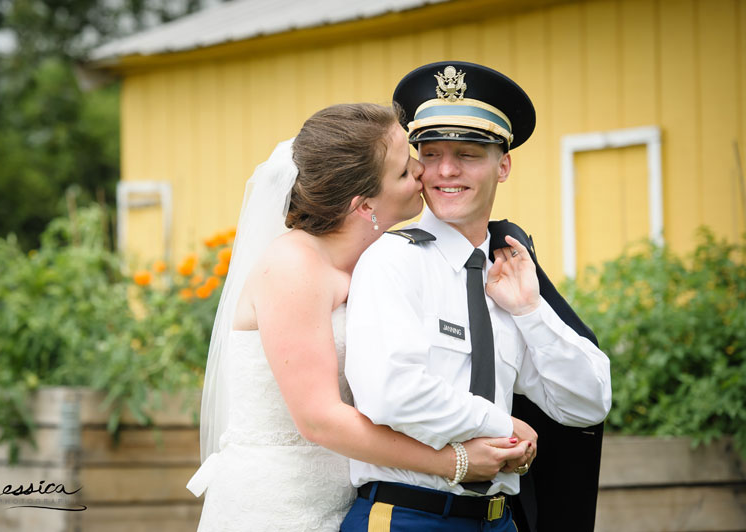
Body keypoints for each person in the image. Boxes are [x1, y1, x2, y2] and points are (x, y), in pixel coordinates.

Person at [186, 103, 532, 531]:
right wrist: (454, 461)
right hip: (280, 503)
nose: (422, 173)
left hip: (350, 500)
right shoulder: (293, 267)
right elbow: (318, 418)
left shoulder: (379, 262)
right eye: (405, 172)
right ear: (364, 205)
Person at [341, 62, 612, 531]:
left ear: (502, 165)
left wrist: (530, 311)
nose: (446, 170)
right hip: (409, 515)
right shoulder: (392, 260)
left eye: (467, 153)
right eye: (431, 153)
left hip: (497, 519)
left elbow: (586, 403)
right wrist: (501, 425)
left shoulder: (507, 274)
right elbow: (389, 393)